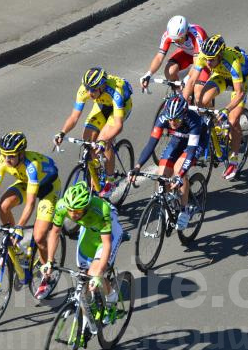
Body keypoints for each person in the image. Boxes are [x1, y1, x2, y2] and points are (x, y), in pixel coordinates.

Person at [0, 131, 60, 297]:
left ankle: (47, 275)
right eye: (5, 155)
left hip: (47, 188)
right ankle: (18, 250)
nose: (7, 160)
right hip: (26, 183)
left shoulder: (32, 166)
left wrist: (20, 227)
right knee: (4, 205)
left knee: (39, 236)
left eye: (12, 156)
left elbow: (30, 203)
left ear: (21, 154)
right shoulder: (2, 162)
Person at [41, 182, 125, 308]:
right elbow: (55, 232)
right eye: (70, 210)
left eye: (78, 211)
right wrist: (49, 261)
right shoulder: (62, 206)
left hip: (108, 235)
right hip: (90, 231)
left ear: (86, 207)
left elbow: (107, 244)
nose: (73, 215)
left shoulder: (100, 210)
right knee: (84, 277)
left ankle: (111, 298)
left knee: (95, 274)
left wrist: (98, 274)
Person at [182, 34, 248, 180]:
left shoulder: (233, 61)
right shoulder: (205, 55)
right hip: (221, 75)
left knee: (233, 120)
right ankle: (214, 126)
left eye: (212, 59)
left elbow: (239, 93)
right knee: (200, 101)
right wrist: (182, 103)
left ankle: (233, 160)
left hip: (240, 81)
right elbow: (191, 81)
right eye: (207, 59)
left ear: (220, 55)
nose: (208, 62)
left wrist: (226, 110)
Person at [54, 68, 133, 197]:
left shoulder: (115, 92)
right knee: (87, 140)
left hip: (120, 108)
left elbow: (118, 126)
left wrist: (103, 141)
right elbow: (74, 117)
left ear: (102, 86)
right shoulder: (85, 90)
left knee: (104, 139)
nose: (89, 93)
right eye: (88, 88)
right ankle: (96, 169)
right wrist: (62, 133)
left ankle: (110, 180)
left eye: (93, 89)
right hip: (102, 106)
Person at [130, 94, 206, 230]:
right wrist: (137, 166)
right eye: (170, 119)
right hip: (177, 139)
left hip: (196, 142)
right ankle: (168, 205)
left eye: (176, 119)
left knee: (178, 170)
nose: (172, 123)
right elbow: (151, 144)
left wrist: (180, 174)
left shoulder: (193, 121)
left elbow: (190, 152)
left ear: (183, 114)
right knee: (161, 173)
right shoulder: (163, 118)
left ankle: (184, 210)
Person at [140, 15, 209, 99]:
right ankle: (179, 95)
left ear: (186, 32)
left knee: (200, 97)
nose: (177, 42)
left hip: (203, 58)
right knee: (170, 71)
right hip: (186, 53)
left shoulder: (197, 34)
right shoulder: (168, 35)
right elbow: (159, 57)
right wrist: (148, 74)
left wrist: (188, 78)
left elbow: (197, 63)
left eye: (179, 39)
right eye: (174, 40)